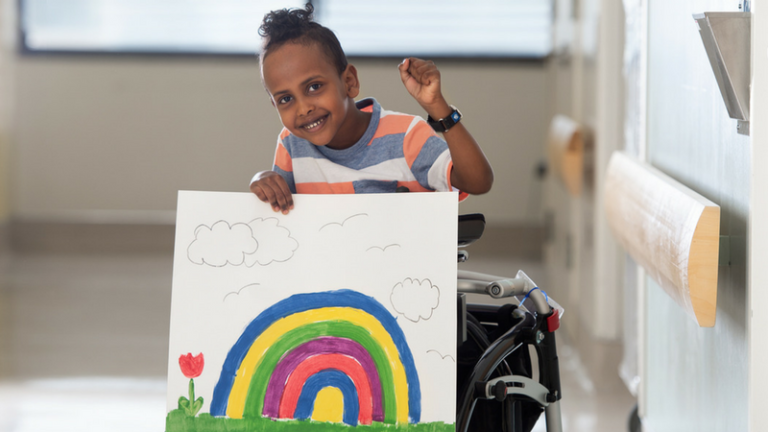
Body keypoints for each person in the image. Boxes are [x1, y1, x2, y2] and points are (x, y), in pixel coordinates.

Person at [250, 3, 493, 214]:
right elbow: (281, 216)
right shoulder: (291, 144)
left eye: (314, 87)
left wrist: (437, 107)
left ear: (349, 82)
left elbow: (478, 182)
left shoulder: (405, 136)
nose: (303, 108)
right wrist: (262, 181)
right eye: (285, 99)